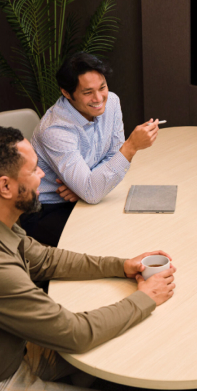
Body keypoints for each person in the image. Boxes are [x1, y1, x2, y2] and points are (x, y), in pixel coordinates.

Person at [0, 127, 177, 391]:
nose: (43, 174)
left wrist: (121, 266)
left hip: (2, 354)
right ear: (5, 187)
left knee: (114, 343)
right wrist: (145, 298)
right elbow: (76, 334)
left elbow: (44, 259)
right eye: (33, 169)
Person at [21, 52, 159, 247]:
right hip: (48, 207)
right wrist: (131, 146)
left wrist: (84, 189)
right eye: (87, 93)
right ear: (67, 93)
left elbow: (112, 155)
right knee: (103, 241)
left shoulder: (111, 102)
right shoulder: (55, 129)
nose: (99, 98)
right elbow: (114, 163)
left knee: (138, 225)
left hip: (82, 196)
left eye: (102, 87)